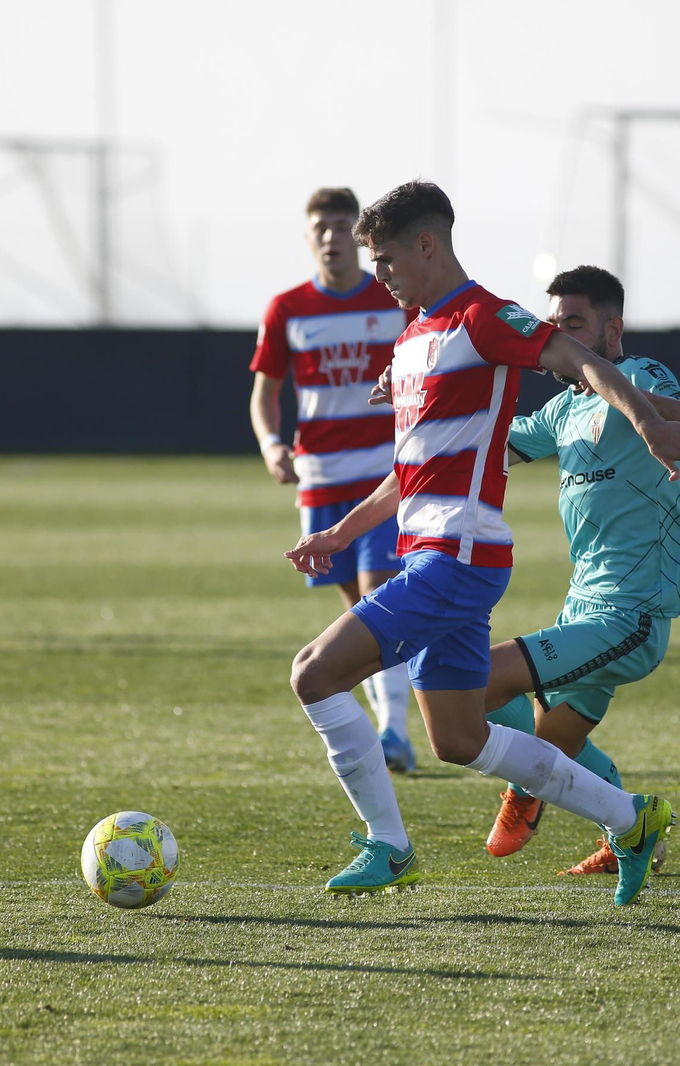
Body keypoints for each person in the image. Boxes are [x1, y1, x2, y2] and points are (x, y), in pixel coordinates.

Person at [284, 180, 680, 905]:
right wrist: (340, 530)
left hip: (456, 559)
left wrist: (651, 425)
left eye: (387, 260)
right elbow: (411, 475)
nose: (379, 276)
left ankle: (390, 849)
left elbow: (582, 365)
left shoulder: (484, 317)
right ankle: (631, 819)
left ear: (428, 245)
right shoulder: (415, 336)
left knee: (313, 673)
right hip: (435, 553)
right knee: (457, 737)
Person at [484, 265, 680, 877]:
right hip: (583, 606)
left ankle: (525, 785)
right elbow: (493, 445)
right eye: (553, 323)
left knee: (471, 682)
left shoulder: (642, 376)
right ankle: (630, 830)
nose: (558, 334)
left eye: (574, 323)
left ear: (612, 329)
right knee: (551, 736)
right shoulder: (564, 409)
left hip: (632, 611)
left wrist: (640, 410)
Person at [249, 187, 415, 771]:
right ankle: (390, 724)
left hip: (383, 473)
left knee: (378, 595)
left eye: (342, 225)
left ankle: (394, 732)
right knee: (360, 610)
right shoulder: (288, 309)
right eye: (320, 226)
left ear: (359, 234)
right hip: (318, 480)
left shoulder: (393, 296)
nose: (331, 236)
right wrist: (273, 446)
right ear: (308, 236)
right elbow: (264, 393)